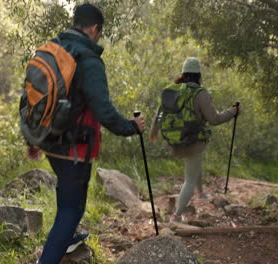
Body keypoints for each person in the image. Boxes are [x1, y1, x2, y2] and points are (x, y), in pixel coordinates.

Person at [31, 4, 145, 264]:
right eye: (99, 33)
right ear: (94, 29)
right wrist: (132, 127)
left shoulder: (51, 52)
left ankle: (67, 239)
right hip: (75, 146)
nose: (98, 37)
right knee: (72, 209)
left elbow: (29, 98)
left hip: (50, 141)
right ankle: (49, 257)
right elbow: (104, 111)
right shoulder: (89, 60)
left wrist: (33, 137)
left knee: (68, 201)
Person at [149, 57, 239, 223]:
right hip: (193, 141)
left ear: (183, 74)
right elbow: (214, 119)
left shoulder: (172, 90)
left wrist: (153, 132)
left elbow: (159, 113)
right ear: (198, 75)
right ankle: (176, 216)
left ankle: (201, 193)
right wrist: (232, 112)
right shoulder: (200, 93)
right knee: (189, 178)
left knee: (194, 165)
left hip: (175, 139)